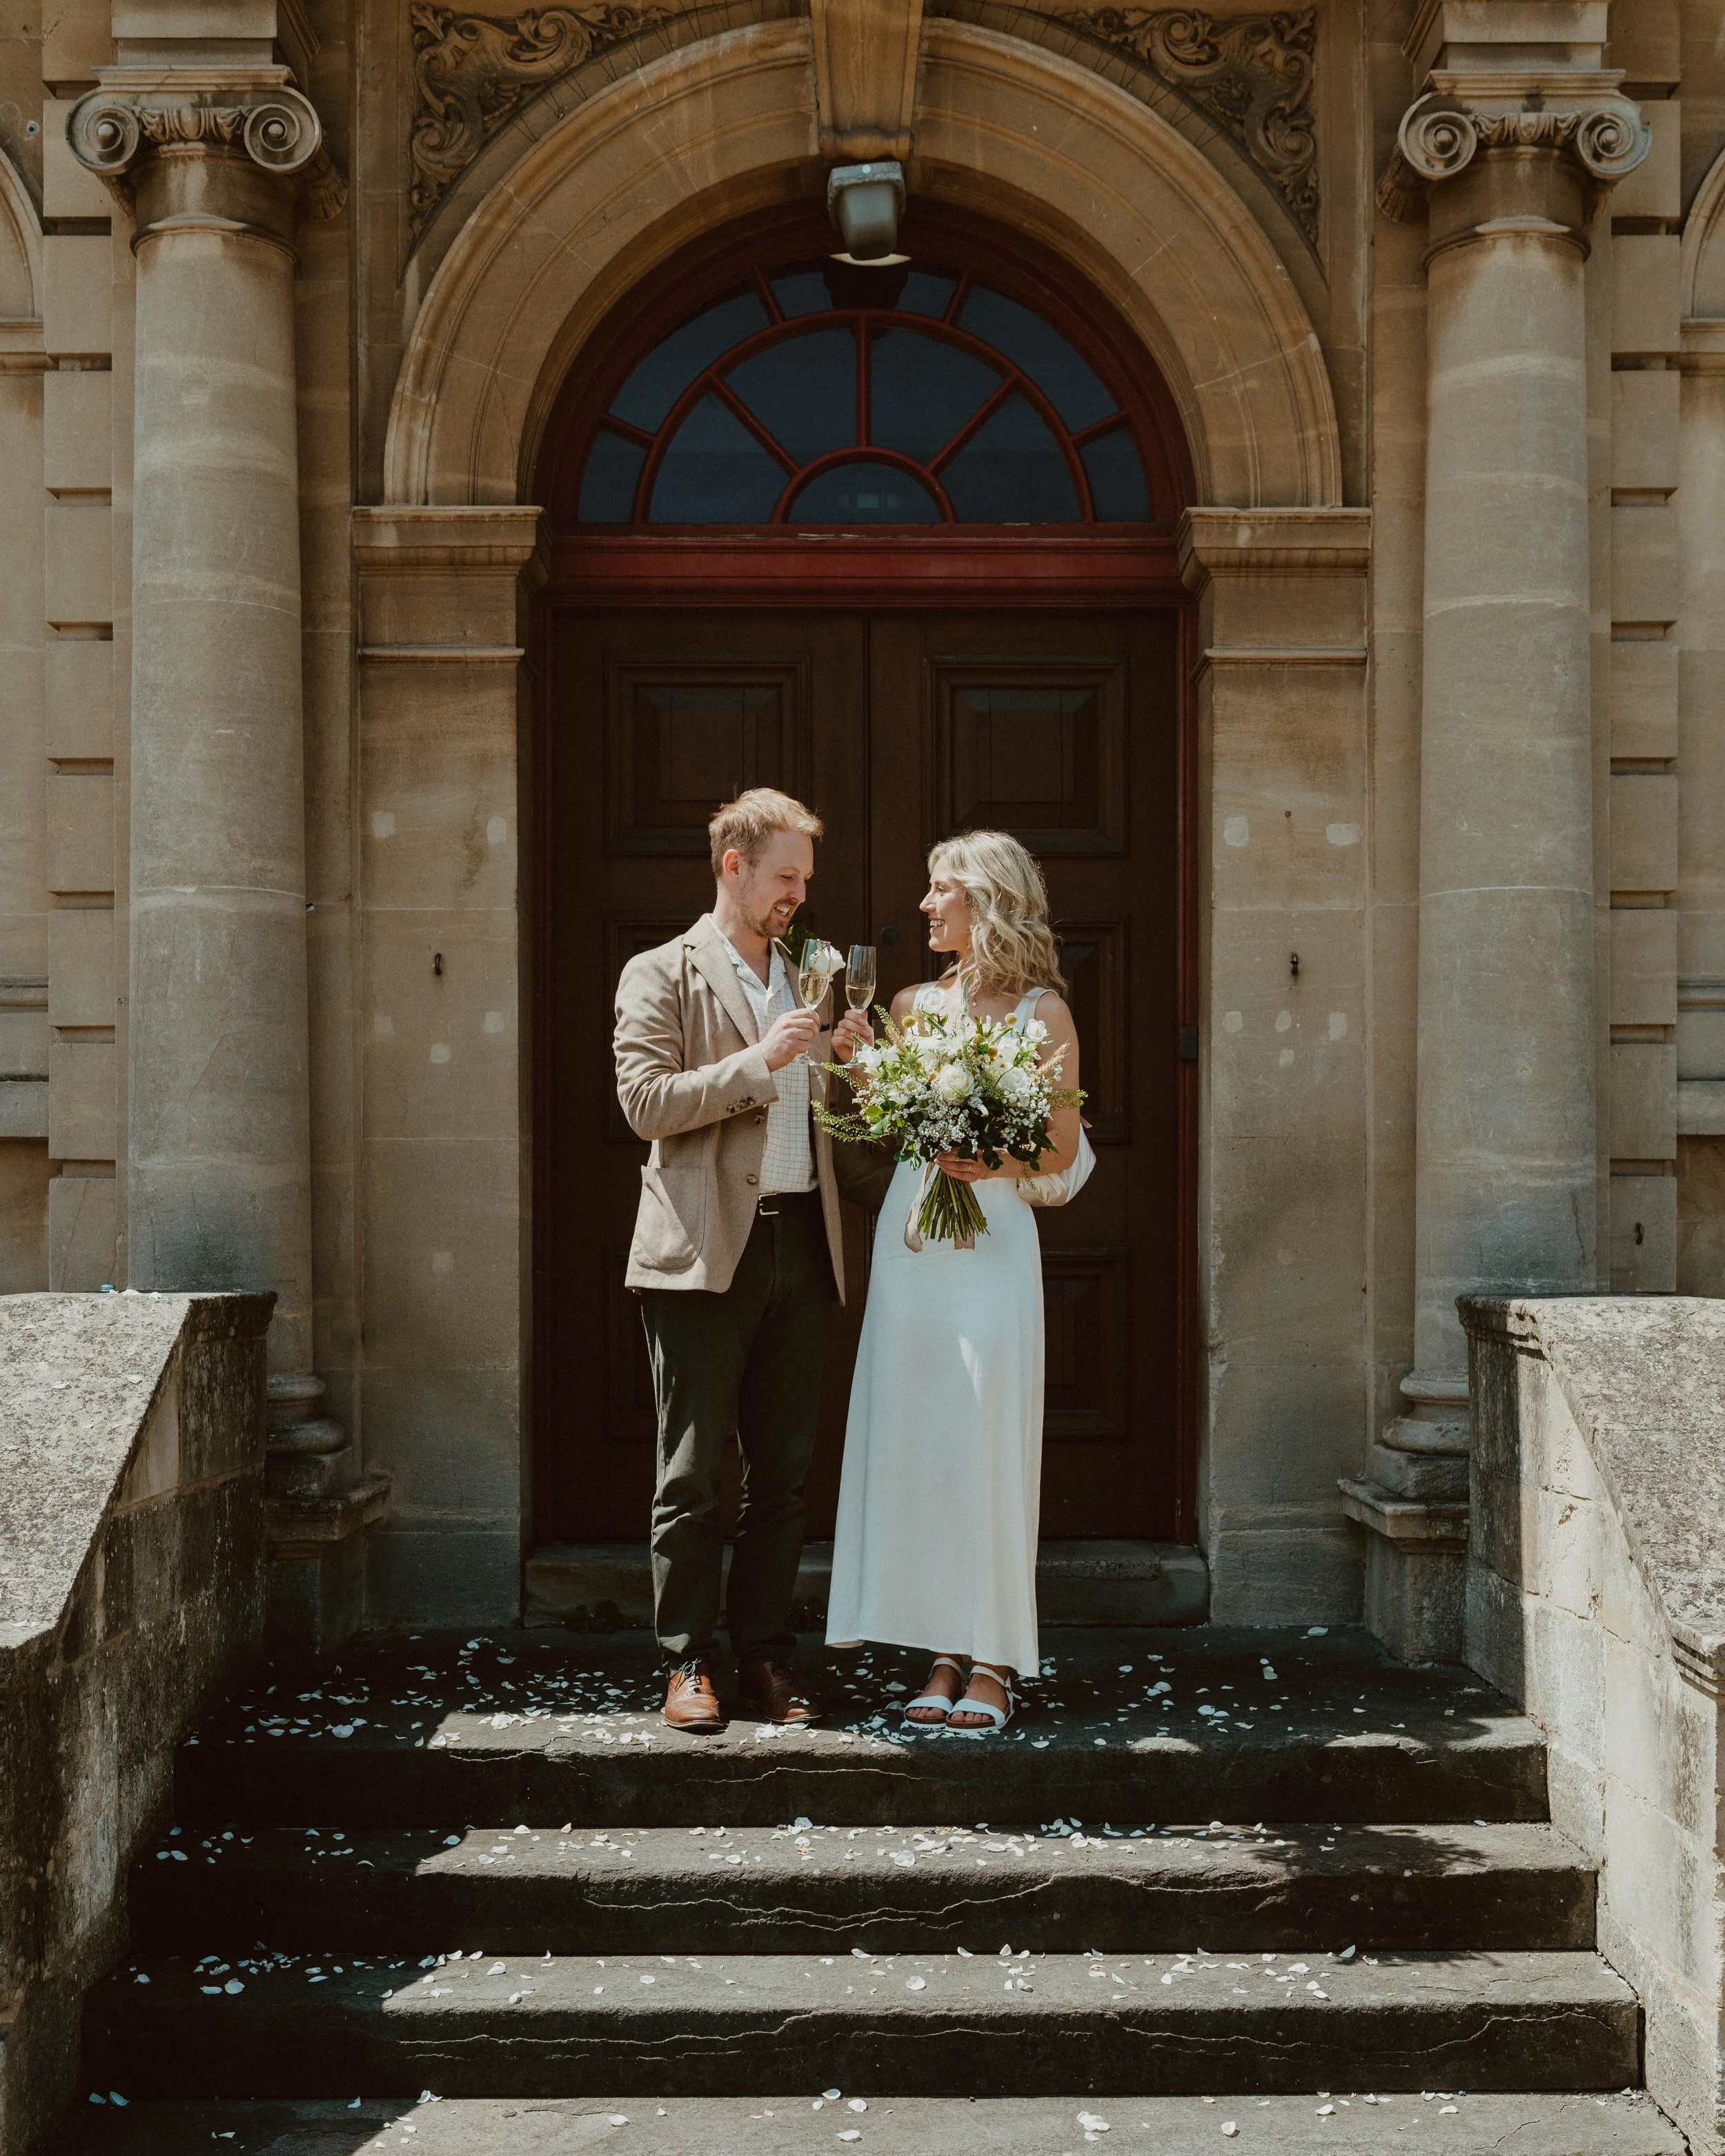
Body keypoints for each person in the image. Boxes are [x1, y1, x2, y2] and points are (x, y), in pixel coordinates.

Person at [613, 788, 871, 1734]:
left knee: (785, 1476)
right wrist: (760, 1060)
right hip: (703, 1250)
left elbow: (833, 1111)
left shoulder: (819, 974)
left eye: (805, 879)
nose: (799, 895)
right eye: (786, 876)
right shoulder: (661, 972)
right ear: (735, 867)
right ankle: (687, 1664)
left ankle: (767, 1659)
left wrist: (850, 1057)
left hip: (805, 1244)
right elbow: (644, 1103)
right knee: (690, 1475)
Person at [826, 831, 1083, 1732]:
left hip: (993, 1243)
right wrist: (863, 1066)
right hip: (916, 1248)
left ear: (987, 901)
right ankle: (941, 1651)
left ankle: (997, 1660)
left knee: (987, 1443)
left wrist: (985, 1154)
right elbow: (897, 1125)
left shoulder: (1042, 1014)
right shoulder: (912, 1002)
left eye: (942, 892)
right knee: (927, 1445)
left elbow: (1056, 1145)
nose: (926, 907)